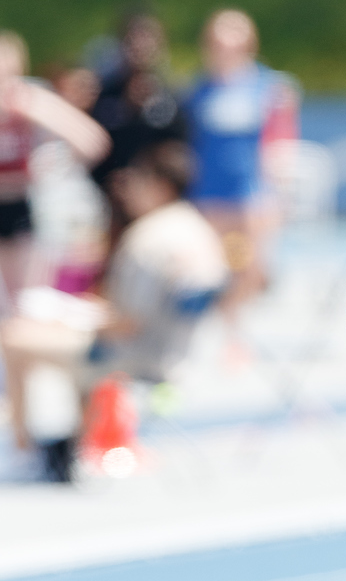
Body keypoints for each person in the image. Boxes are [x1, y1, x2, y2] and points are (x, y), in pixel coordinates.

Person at [1, 141, 227, 477]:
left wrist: (68, 316)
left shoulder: (149, 238)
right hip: (177, 351)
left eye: (136, 180)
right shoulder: (198, 227)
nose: (128, 189)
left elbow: (127, 323)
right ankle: (70, 443)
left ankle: (26, 449)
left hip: (135, 355)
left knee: (14, 337)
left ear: (159, 186)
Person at [183, 9, 299, 324]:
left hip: (251, 191)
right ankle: (221, 327)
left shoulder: (270, 87)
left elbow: (279, 144)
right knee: (213, 266)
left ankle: (233, 325)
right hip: (209, 191)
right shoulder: (198, 90)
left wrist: (276, 193)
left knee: (252, 267)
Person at [0, 30, 110, 309]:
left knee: (22, 302)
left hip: (19, 207)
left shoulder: (28, 99)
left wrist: (48, 166)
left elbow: (92, 142)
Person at [89, 12, 186, 232]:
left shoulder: (171, 97)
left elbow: (181, 153)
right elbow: (95, 147)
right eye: (133, 40)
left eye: (148, 40)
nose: (140, 48)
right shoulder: (105, 95)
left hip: (158, 202)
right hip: (110, 202)